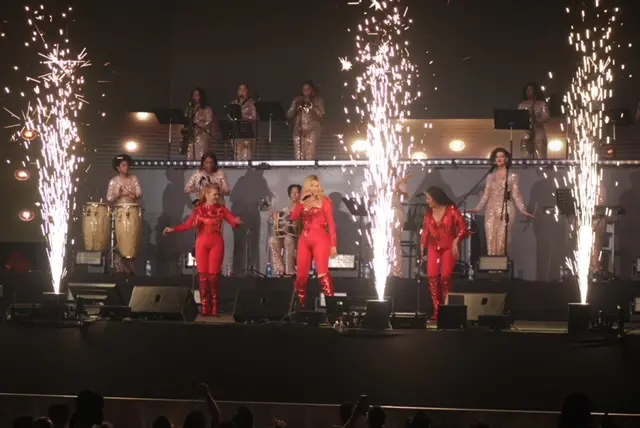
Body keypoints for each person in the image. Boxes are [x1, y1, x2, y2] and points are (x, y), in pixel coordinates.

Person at [164, 184, 243, 316]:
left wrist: (237, 221)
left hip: (216, 244)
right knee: (203, 277)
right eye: (214, 194)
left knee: (213, 277)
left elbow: (232, 221)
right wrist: (173, 229)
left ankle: (215, 307)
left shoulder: (222, 210)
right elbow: (188, 225)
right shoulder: (198, 210)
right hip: (202, 244)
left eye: (217, 194)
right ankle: (205, 307)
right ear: (206, 194)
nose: (217, 196)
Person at [472, 148, 534, 256]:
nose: (499, 159)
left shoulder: (512, 176)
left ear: (506, 159)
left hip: (506, 208)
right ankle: (492, 262)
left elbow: (516, 194)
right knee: (490, 236)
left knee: (502, 237)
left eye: (501, 156)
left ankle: (501, 262)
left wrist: (522, 209)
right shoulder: (490, 176)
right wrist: (477, 208)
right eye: (497, 157)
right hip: (491, 209)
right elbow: (486, 194)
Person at [421, 186, 470, 320]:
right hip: (433, 248)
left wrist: (456, 240)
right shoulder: (428, 213)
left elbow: (463, 228)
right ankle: (437, 310)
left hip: (448, 247)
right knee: (432, 277)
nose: (427, 201)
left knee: (445, 277)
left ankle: (447, 309)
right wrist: (422, 247)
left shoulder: (451, 210)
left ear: (436, 198)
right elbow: (425, 232)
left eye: (429, 198)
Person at [290, 175, 336, 306]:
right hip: (304, 239)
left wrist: (333, 245)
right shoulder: (303, 202)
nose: (315, 188)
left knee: (323, 274)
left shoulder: (325, 201)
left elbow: (331, 223)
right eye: (312, 185)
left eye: (317, 185)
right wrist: (301, 202)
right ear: (307, 187)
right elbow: (293, 217)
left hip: (320, 238)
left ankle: (332, 308)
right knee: (301, 276)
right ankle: (300, 307)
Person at [106, 154, 142, 275]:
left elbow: (139, 192)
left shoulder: (133, 179)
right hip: (120, 213)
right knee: (120, 237)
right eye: (123, 165)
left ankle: (131, 267)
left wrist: (131, 193)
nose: (126, 167)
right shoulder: (114, 181)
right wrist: (118, 194)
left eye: (127, 165)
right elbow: (109, 198)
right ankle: (119, 268)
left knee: (132, 237)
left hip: (133, 212)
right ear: (118, 167)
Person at [269, 184, 301, 276]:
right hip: (287, 237)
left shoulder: (303, 208)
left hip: (299, 238)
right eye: (292, 192)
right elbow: (280, 224)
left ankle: (290, 270)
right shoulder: (285, 209)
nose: (294, 195)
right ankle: (280, 268)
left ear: (300, 194)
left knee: (288, 238)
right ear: (289, 194)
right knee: (273, 240)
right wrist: (275, 217)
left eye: (296, 192)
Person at [287, 81, 325, 160]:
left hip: (312, 129)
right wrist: (295, 106)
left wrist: (312, 107)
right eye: (304, 90)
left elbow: (322, 115)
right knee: (298, 154)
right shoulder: (298, 100)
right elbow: (289, 115)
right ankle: (299, 166)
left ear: (312, 90)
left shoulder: (318, 100)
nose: (306, 92)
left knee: (310, 154)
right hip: (298, 130)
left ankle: (309, 167)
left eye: (308, 89)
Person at [183, 88, 219, 160]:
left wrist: (199, 129)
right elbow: (186, 120)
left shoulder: (206, 109)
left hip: (202, 135)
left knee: (200, 155)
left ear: (201, 96)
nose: (195, 97)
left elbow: (209, 121)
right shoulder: (189, 108)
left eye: (197, 95)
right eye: (194, 95)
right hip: (191, 136)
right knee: (190, 155)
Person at [518, 82, 550, 159]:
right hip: (526, 132)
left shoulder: (541, 104)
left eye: (530, 90)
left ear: (535, 91)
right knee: (525, 154)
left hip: (538, 131)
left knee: (540, 154)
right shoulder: (522, 104)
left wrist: (537, 119)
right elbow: (519, 117)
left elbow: (546, 117)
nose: (528, 92)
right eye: (527, 90)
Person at [231, 84, 258, 160]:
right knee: (237, 155)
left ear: (247, 91)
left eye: (244, 90)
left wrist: (243, 117)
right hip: (236, 131)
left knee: (246, 154)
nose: (242, 91)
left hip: (247, 130)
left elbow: (254, 117)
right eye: (240, 90)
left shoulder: (252, 103)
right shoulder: (234, 103)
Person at [391, 169, 410, 277]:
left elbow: (405, 196)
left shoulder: (400, 180)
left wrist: (396, 189)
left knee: (395, 242)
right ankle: (387, 270)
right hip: (384, 213)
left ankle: (397, 272)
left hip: (396, 214)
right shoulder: (381, 181)